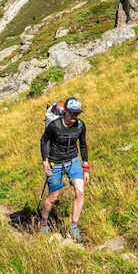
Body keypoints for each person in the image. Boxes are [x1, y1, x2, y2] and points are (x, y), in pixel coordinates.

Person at [39, 96, 90, 242]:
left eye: (77, 113)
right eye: (73, 113)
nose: (75, 116)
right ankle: (43, 222)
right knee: (53, 197)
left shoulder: (80, 126)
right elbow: (44, 141)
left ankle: (74, 226)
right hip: (56, 162)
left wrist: (85, 167)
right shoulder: (54, 126)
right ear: (66, 111)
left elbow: (83, 145)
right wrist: (45, 161)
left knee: (80, 192)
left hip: (73, 160)